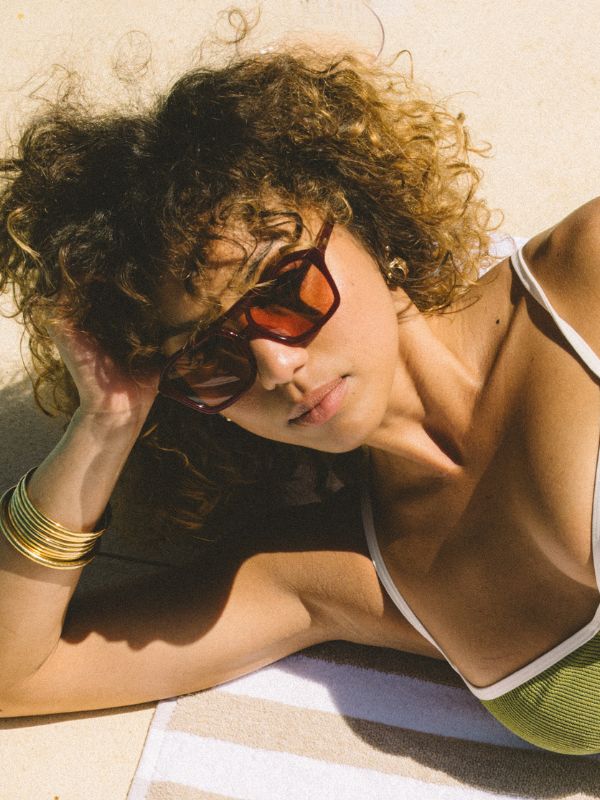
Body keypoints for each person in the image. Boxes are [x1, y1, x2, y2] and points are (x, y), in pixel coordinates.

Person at [0, 38, 599, 757]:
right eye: (207, 358)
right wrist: (106, 424)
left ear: (355, 216)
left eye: (284, 288)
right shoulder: (335, 570)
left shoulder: (583, 283)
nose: (278, 366)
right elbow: (17, 675)